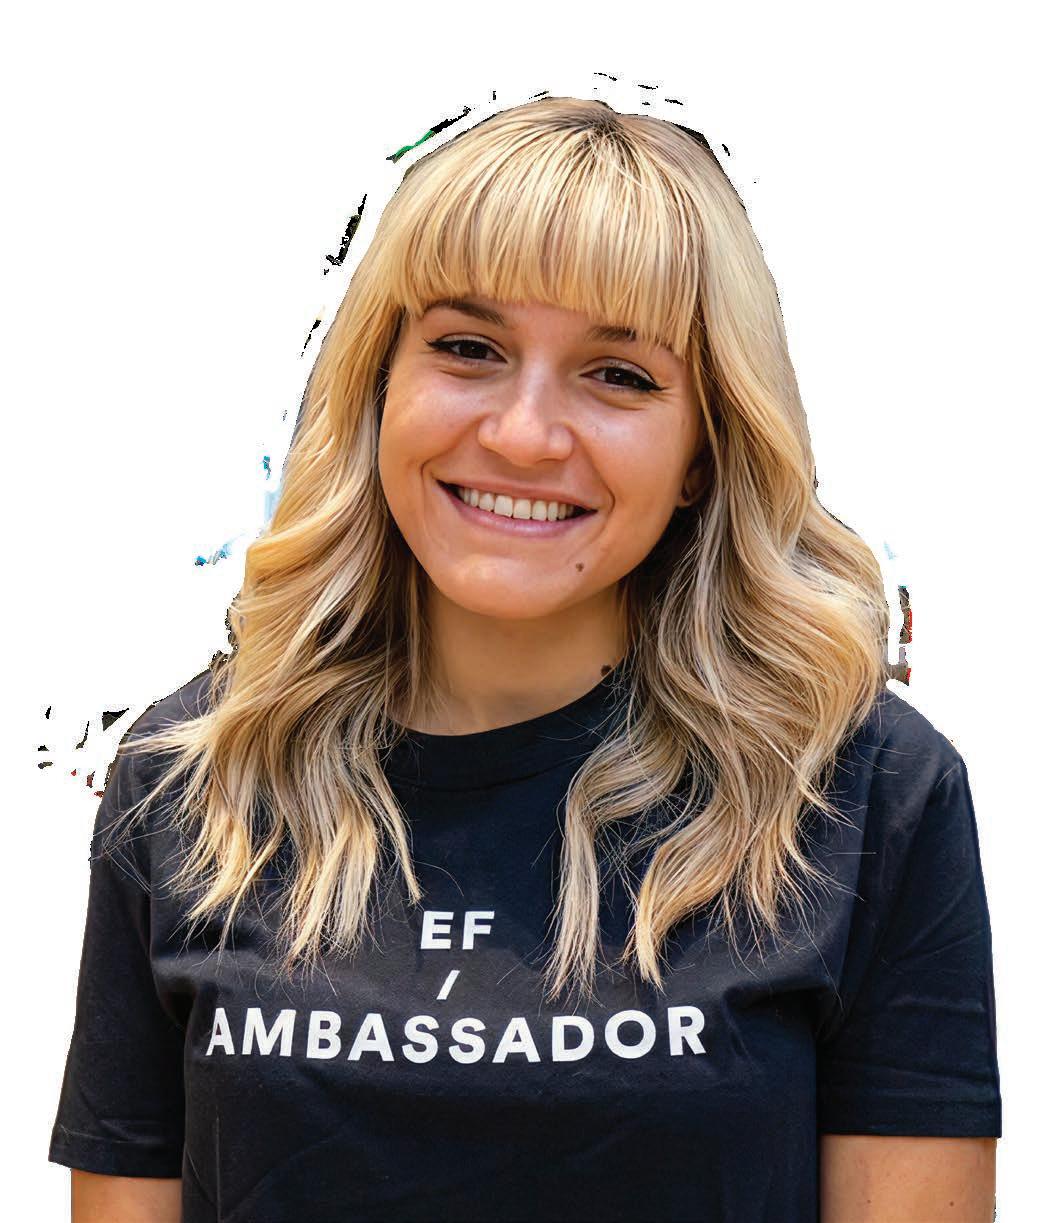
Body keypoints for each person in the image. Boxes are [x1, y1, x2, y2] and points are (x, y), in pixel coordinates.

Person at [48, 96, 1001, 1222]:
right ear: (378, 384)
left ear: (704, 450)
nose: (522, 434)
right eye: (468, 349)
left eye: (619, 375)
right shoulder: (194, 776)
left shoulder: (863, 793)